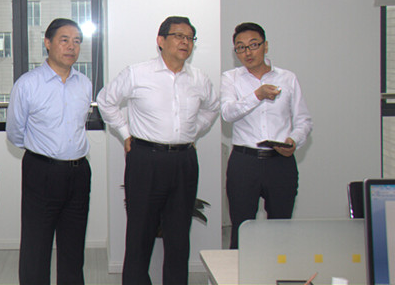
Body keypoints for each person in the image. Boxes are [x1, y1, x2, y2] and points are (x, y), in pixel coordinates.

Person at [97, 16, 219, 285]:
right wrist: (125, 133)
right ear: (161, 40)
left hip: (184, 161)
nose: (185, 42)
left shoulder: (199, 79)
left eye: (190, 38)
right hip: (146, 160)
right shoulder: (138, 73)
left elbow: (212, 107)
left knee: (179, 236)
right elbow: (106, 101)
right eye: (178, 36)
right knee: (139, 234)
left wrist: (193, 131)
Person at [6, 18, 92, 285]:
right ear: (47, 43)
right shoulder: (28, 84)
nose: (71, 46)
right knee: (36, 246)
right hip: (42, 171)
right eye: (64, 40)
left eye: (77, 41)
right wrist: (43, 154)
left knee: (73, 247)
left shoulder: (84, 83)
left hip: (79, 172)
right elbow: (15, 132)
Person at [220, 22, 312, 249]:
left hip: (280, 161)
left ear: (265, 46)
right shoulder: (230, 78)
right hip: (244, 162)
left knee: (281, 230)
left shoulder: (287, 78)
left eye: (253, 45)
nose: (247, 52)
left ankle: (277, 269)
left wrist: (293, 141)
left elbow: (303, 120)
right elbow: (227, 113)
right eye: (240, 48)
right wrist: (257, 95)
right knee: (241, 229)